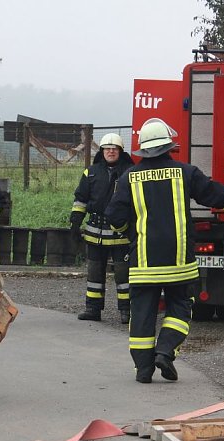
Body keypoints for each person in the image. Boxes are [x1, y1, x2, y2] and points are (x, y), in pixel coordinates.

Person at [104, 118, 224, 383]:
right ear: (168, 147)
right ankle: (165, 351)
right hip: (179, 262)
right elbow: (216, 196)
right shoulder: (185, 172)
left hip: (144, 262)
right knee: (180, 306)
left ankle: (143, 370)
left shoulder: (128, 177)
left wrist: (127, 232)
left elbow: (114, 216)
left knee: (142, 313)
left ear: (143, 149)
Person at [70, 133, 135, 324]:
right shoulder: (90, 172)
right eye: (107, 148)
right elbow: (81, 199)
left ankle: (126, 311)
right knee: (94, 273)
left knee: (123, 274)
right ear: (102, 151)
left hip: (120, 232)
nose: (111, 151)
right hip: (95, 232)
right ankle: (93, 309)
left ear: (121, 152)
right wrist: (75, 221)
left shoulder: (130, 172)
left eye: (114, 149)